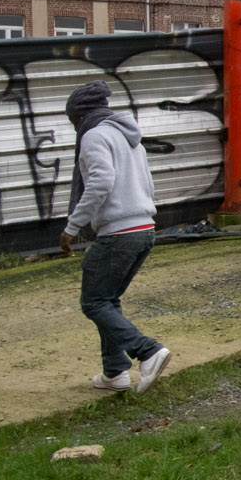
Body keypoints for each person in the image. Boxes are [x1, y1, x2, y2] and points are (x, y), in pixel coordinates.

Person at [62, 81, 173, 393]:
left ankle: (147, 351)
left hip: (119, 232)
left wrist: (72, 226)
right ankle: (114, 372)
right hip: (143, 229)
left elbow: (100, 182)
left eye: (72, 121)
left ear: (81, 116)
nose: (73, 127)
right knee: (107, 299)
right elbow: (145, 182)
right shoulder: (128, 137)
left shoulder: (94, 136)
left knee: (94, 302)